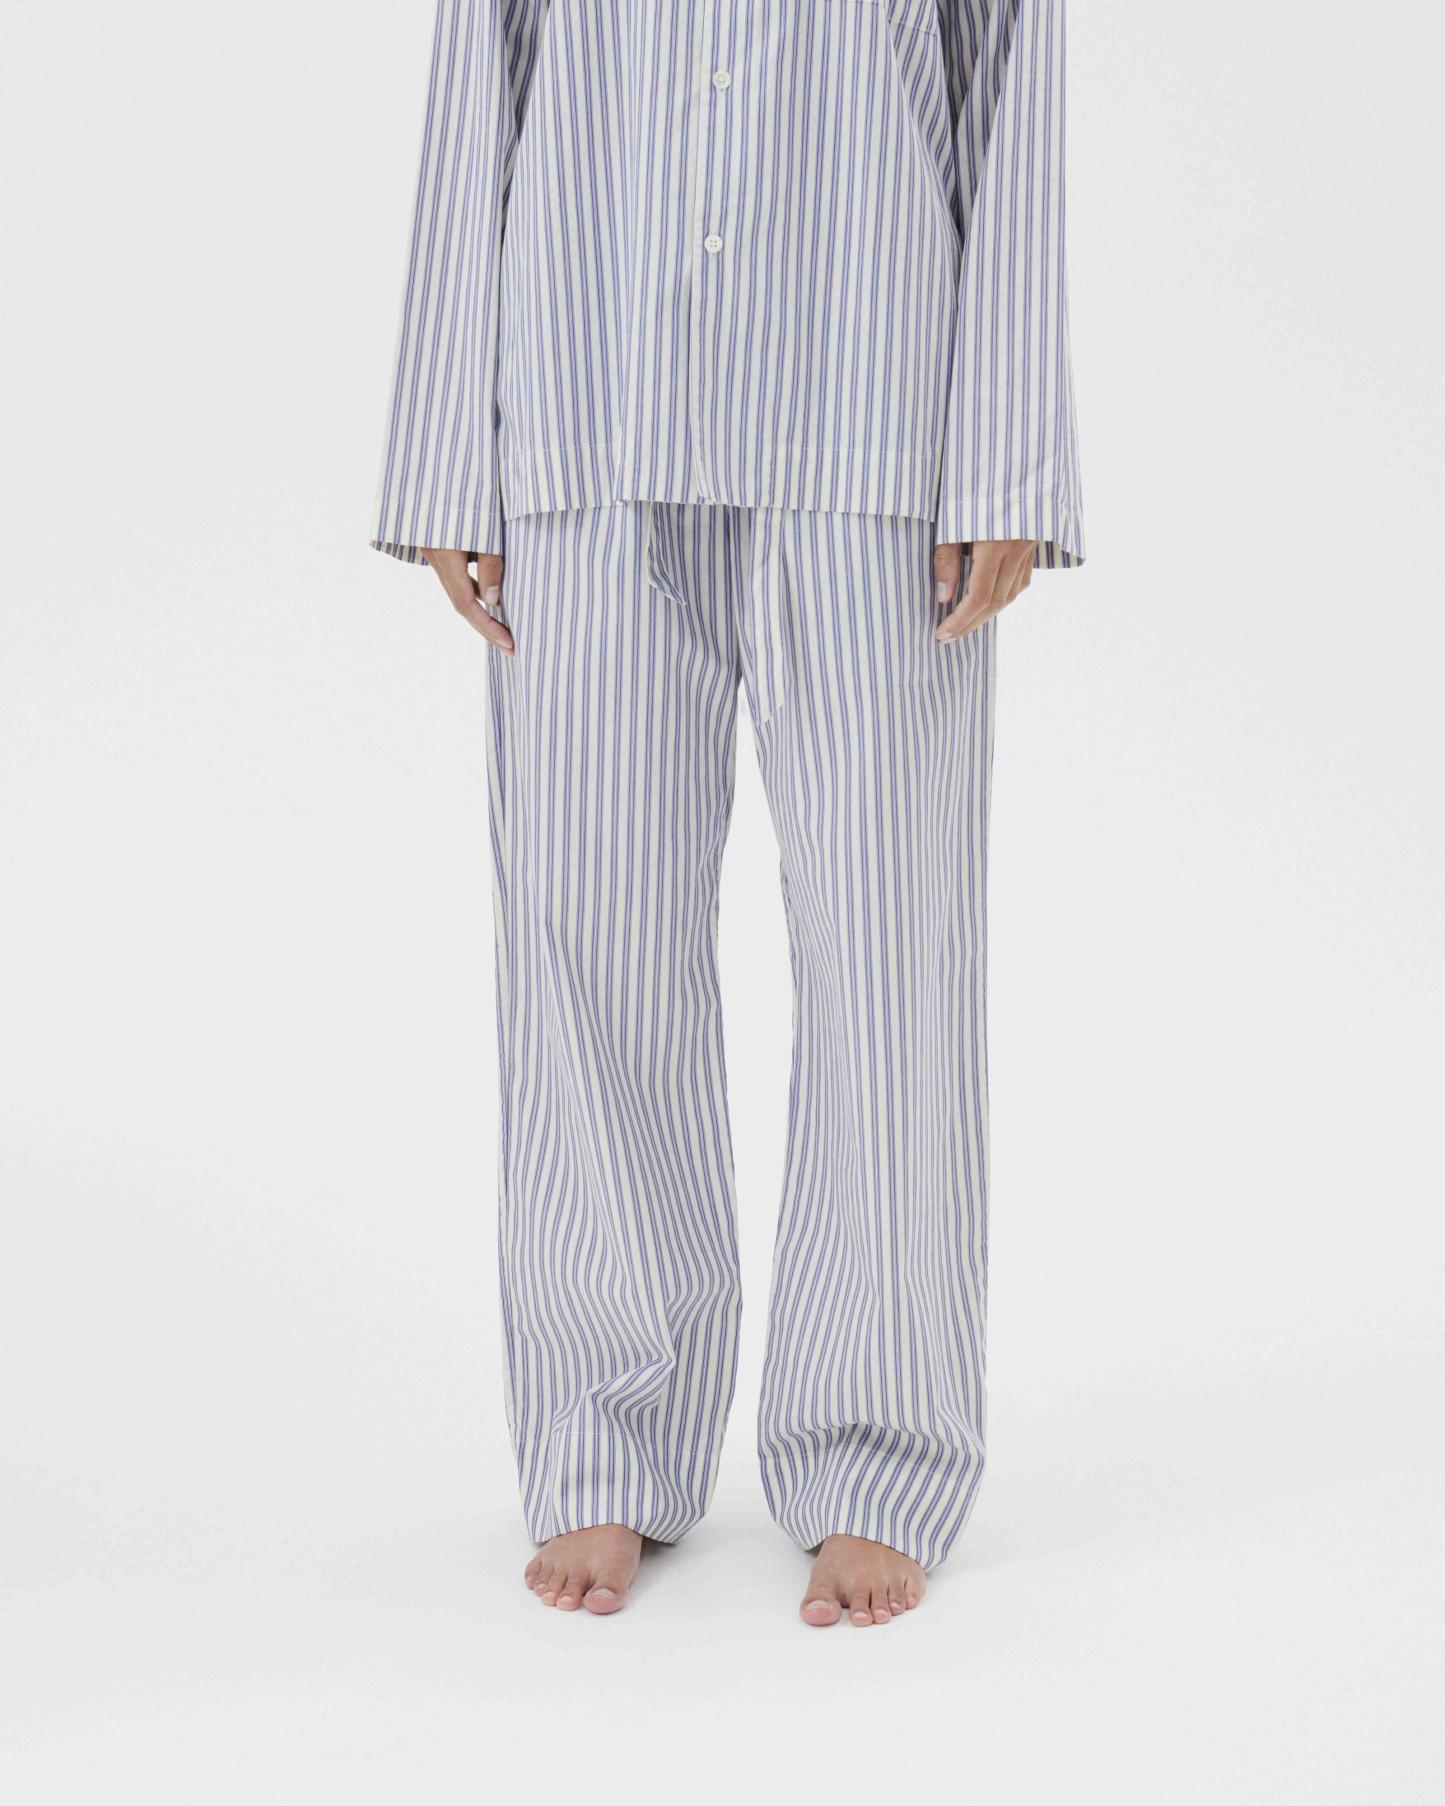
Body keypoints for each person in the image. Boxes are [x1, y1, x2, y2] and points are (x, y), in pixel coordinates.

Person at [372, 0, 1083, 1628]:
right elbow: (480, 71)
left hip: (874, 417)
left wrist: (1007, 460)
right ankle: (606, 1429)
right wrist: (445, 454)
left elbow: (1010, 85)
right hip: (587, 395)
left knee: (886, 955)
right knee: (584, 941)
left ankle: (875, 1444)